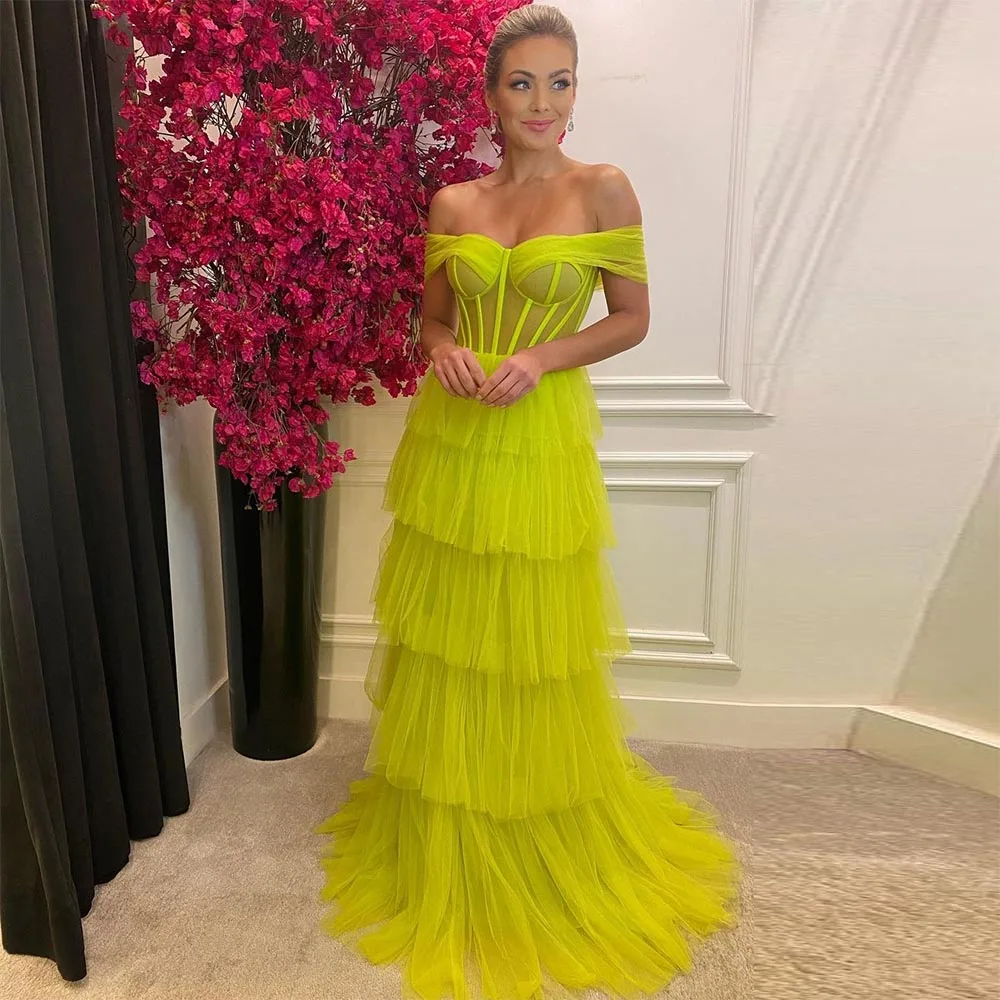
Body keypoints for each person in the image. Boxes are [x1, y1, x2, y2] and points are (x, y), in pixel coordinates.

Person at [313, 6, 742, 998]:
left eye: (559, 81)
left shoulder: (603, 188)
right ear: (490, 95)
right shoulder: (453, 201)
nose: (541, 103)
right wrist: (445, 351)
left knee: (531, 637)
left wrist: (542, 358)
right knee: (455, 630)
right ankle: (449, 821)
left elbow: (631, 318)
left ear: (576, 92)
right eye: (521, 83)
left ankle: (531, 823)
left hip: (539, 432)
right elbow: (431, 319)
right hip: (455, 432)